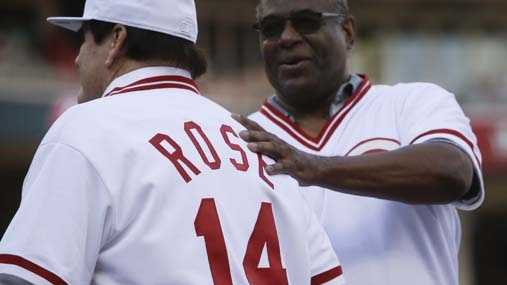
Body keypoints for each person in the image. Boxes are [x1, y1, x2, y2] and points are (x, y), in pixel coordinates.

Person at [0, 0, 345, 284]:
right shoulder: (258, 143)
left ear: (116, 40)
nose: (77, 58)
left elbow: (25, 279)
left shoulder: (86, 128)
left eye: (86, 39)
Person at [234, 0, 485, 284]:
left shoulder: (412, 102)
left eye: (306, 22)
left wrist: (314, 167)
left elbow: (451, 173)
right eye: (271, 28)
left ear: (348, 31)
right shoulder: (238, 137)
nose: (287, 38)